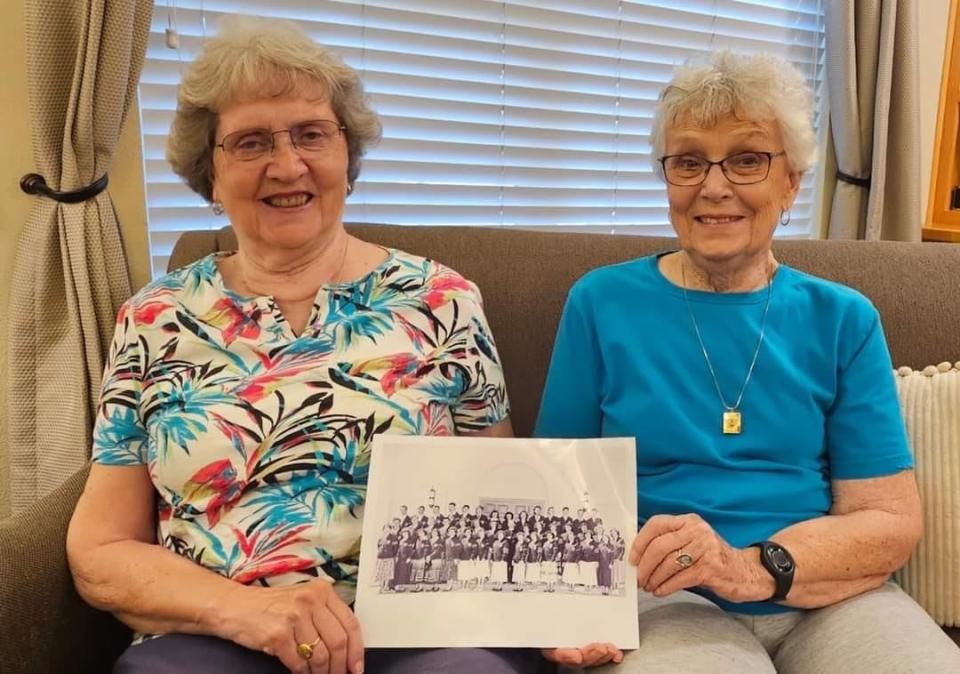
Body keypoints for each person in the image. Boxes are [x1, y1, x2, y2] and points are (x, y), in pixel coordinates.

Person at [64, 17, 545, 674]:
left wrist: (564, 610)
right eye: (252, 142)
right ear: (210, 169)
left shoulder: (442, 300)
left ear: (347, 154)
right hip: (216, 631)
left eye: (312, 135)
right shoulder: (154, 319)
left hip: (423, 629)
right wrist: (246, 613)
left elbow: (504, 499)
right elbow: (100, 548)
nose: (287, 165)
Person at [536, 50, 960, 672]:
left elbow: (887, 519)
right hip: (666, 596)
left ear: (790, 182)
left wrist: (753, 568)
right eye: (688, 162)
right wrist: (559, 611)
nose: (714, 186)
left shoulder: (843, 318)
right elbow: (555, 490)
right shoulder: (601, 303)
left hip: (828, 594)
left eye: (747, 159)